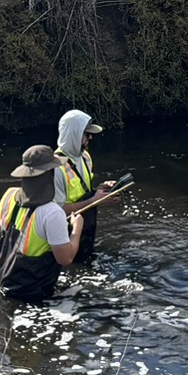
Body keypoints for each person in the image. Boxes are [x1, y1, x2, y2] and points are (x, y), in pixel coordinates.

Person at [0, 145, 79, 304]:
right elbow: (65, 259)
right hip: (32, 293)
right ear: (50, 175)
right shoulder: (52, 213)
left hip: (4, 281)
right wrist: (76, 228)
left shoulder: (9, 194)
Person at [56, 109, 123, 264]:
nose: (90, 138)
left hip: (86, 231)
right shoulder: (55, 169)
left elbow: (84, 190)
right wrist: (95, 201)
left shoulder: (85, 157)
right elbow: (57, 211)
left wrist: (102, 188)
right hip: (66, 235)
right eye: (87, 134)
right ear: (74, 134)